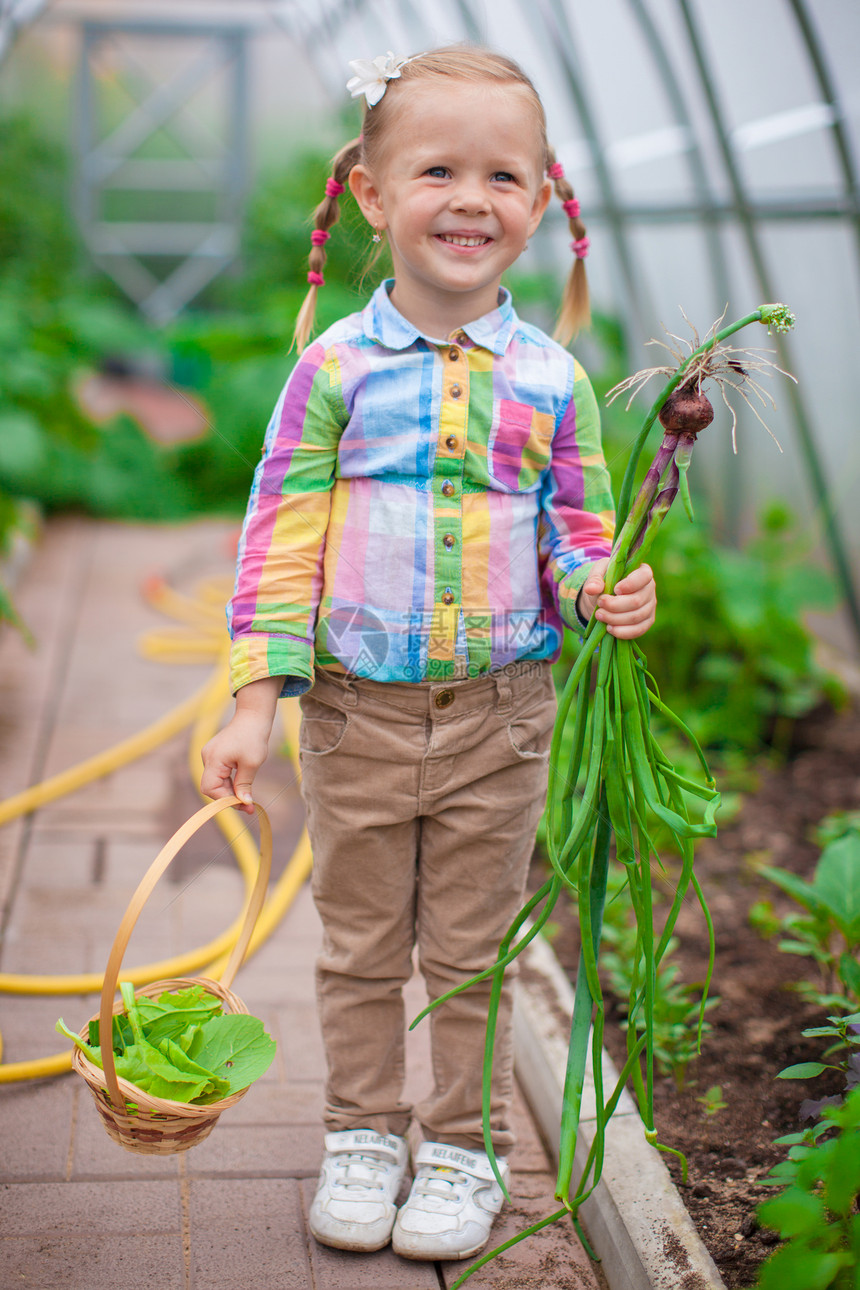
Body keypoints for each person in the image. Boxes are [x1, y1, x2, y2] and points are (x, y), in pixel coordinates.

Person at [200, 45, 656, 1263]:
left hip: (501, 717)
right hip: (350, 716)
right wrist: (256, 699)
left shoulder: (554, 383)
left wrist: (601, 587)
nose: (470, 198)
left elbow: (576, 532)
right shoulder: (334, 371)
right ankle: (361, 1132)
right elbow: (281, 537)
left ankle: (459, 1147)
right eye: (437, 170)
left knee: (469, 951)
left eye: (501, 175)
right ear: (370, 192)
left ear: (540, 197)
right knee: (358, 947)